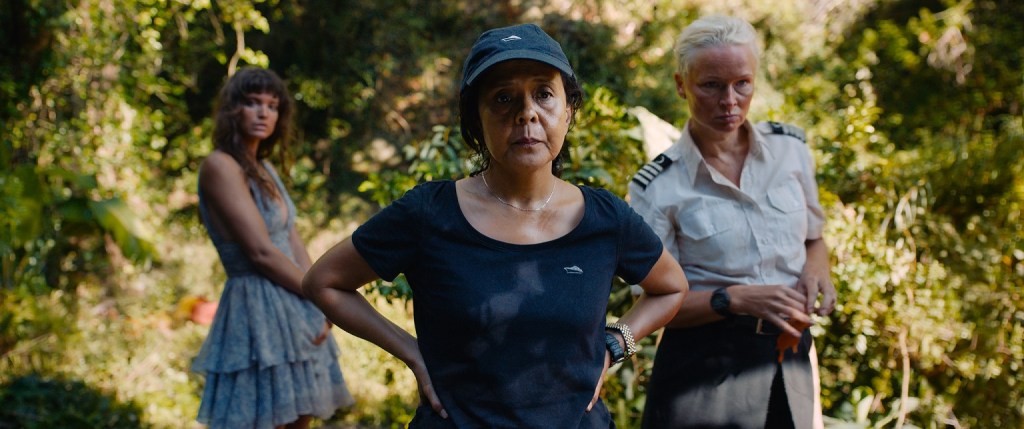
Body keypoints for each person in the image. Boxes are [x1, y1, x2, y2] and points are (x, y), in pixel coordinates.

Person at [302, 23, 689, 428]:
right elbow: (324, 282)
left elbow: (671, 288)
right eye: (503, 98)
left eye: (544, 94)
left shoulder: (605, 217)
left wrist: (615, 344)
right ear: (476, 119)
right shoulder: (429, 213)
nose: (527, 113)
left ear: (569, 110)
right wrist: (412, 352)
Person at [628, 15, 837, 429]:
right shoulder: (657, 186)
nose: (729, 101)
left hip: (790, 359)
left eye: (742, 83)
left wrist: (818, 272)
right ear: (681, 85)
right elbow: (651, 304)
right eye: (711, 85)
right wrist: (733, 299)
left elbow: (814, 240)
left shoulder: (791, 151)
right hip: (702, 374)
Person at [191, 67, 354, 429]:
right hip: (256, 307)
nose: (263, 113)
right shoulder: (219, 165)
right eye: (252, 103)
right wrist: (319, 294)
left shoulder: (263, 167)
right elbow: (260, 252)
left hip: (294, 301)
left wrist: (321, 293)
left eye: (272, 105)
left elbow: (292, 239)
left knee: (299, 419)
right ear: (232, 110)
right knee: (264, 421)